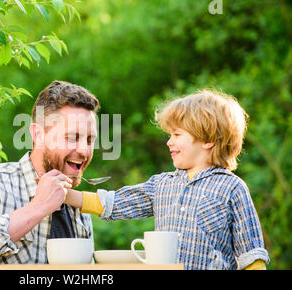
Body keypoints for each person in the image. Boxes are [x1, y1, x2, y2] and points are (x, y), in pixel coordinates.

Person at [65, 89, 270, 270]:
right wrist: (65, 195)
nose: (169, 142)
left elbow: (251, 257)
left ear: (208, 140)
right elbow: (115, 203)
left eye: (177, 134)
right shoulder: (162, 185)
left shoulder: (232, 188)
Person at [0, 80, 100, 264]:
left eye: (90, 140)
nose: (83, 150)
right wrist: (39, 207)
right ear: (38, 135)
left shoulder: (78, 209)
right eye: (72, 137)